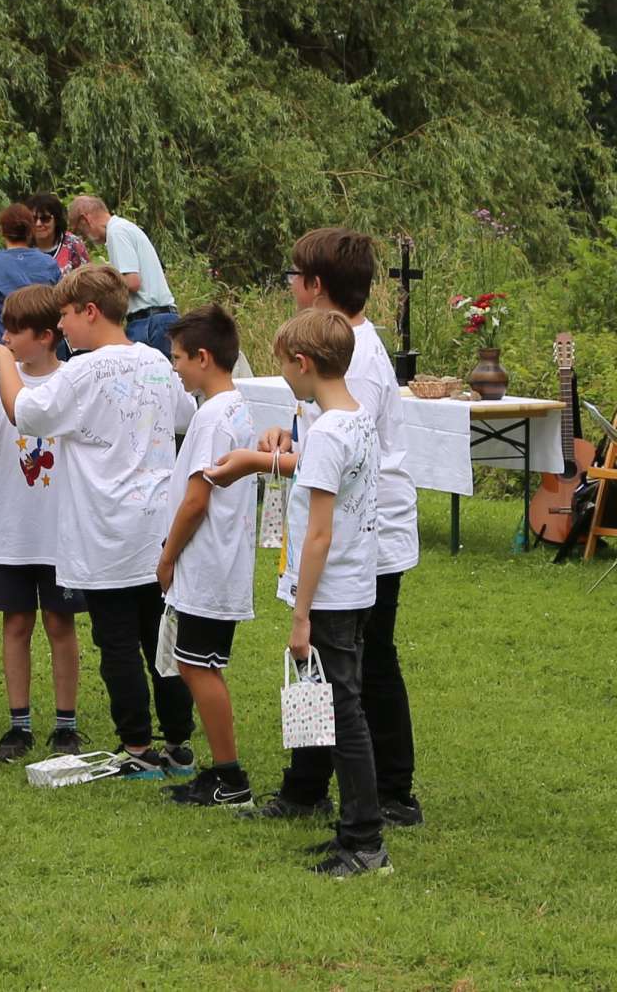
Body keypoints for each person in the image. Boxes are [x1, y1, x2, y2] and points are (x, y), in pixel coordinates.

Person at [0, 263, 196, 778]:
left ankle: (137, 747)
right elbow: (183, 415)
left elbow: (24, 411)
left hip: (106, 529)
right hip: (157, 528)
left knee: (116, 640)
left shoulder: (82, 371)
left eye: (68, 314)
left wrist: (2, 356)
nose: (63, 325)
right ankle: (179, 743)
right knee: (159, 637)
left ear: (90, 312)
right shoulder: (158, 362)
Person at [245, 228, 423, 827]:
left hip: (359, 539)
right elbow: (320, 435)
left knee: (366, 665)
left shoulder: (361, 359)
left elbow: (338, 459)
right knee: (326, 666)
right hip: (338, 535)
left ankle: (392, 794)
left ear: (316, 286)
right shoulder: (331, 346)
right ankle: (306, 784)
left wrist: (258, 461)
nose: (292, 287)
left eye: (294, 277)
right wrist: (283, 439)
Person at [205, 309, 392, 878]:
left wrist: (301, 616)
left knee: (346, 714)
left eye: (284, 363)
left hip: (330, 596)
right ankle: (349, 831)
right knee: (342, 707)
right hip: (358, 585)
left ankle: (365, 844)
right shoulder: (353, 419)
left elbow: (317, 532)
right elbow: (309, 431)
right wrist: (287, 429)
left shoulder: (332, 434)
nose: (282, 374)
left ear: (303, 363)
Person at [0, 284, 87, 763]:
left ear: (47, 336)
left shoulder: (72, 380)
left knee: (59, 623)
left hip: (60, 531)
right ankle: (19, 724)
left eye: (15, 330)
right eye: (4, 328)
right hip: (12, 529)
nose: (5, 338)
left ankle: (66, 725)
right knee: (16, 624)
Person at [155, 306, 258, 807]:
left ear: (203, 357)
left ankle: (230, 777)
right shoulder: (232, 405)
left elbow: (198, 498)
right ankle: (223, 772)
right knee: (197, 660)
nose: (174, 367)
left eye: (178, 358)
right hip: (221, 556)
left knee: (197, 665)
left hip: (207, 557)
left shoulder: (215, 416)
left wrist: (168, 556)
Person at [67, 195, 176, 355]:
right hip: (160, 318)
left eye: (81, 231)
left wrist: (99, 284)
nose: (85, 238)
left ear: (85, 219)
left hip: (149, 321)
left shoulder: (116, 232)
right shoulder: (124, 227)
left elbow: (132, 282)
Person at [0, 203, 61, 340]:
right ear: (31, 230)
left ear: (2, 230)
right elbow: (59, 309)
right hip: (45, 348)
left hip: (7, 349)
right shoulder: (49, 263)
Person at [26, 193, 91, 273]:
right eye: (33, 219)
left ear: (56, 220)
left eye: (45, 218)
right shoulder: (23, 246)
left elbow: (87, 277)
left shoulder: (73, 244)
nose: (38, 224)